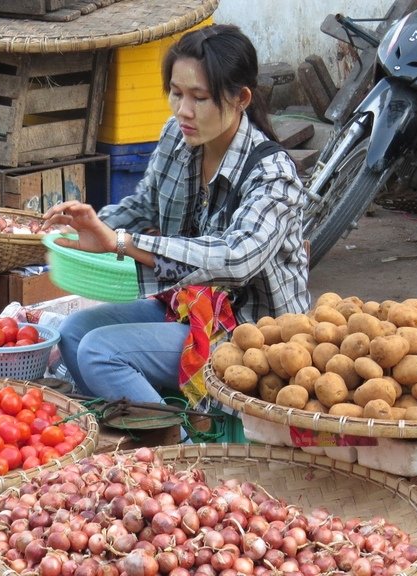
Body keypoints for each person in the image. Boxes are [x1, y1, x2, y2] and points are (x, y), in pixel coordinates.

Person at [42, 23, 310, 408]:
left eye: (199, 97)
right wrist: (88, 224)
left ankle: (176, 450)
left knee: (100, 351)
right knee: (72, 332)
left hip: (250, 339)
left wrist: (121, 242)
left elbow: (234, 260)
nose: (183, 110)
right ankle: (125, 438)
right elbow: (146, 205)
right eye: (176, 93)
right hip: (184, 307)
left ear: (241, 98)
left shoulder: (273, 174)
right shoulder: (177, 137)